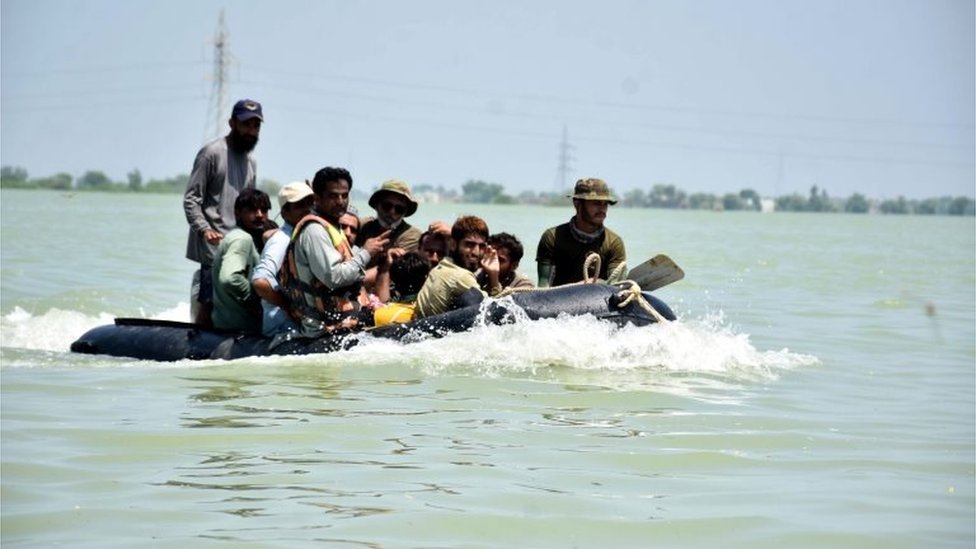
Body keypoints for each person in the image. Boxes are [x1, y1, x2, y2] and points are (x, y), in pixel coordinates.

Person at [183, 98, 263, 327]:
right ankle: (198, 341)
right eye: (246, 124)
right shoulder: (212, 153)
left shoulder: (251, 161)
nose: (251, 131)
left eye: (256, 126)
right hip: (213, 242)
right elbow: (191, 198)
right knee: (208, 302)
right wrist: (203, 229)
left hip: (240, 241)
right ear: (232, 123)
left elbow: (251, 202)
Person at [282, 166, 389, 337]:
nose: (340, 201)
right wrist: (366, 253)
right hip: (324, 328)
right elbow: (334, 277)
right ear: (317, 197)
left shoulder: (332, 226)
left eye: (344, 195)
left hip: (344, 319)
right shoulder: (314, 231)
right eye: (333, 196)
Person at [535, 177, 626, 287]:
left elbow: (615, 287)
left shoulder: (614, 243)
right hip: (558, 301)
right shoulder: (552, 237)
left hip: (598, 301)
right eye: (596, 203)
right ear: (577, 204)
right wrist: (583, 285)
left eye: (605, 204)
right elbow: (543, 286)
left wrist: (595, 283)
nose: (602, 209)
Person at [251, 181, 314, 337]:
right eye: (300, 205)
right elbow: (260, 282)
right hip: (281, 327)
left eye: (310, 204)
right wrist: (289, 306)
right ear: (285, 213)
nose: (308, 210)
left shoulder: (301, 235)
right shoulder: (282, 240)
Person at [211, 188, 274, 334]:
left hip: (227, 327)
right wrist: (260, 297)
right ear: (238, 213)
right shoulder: (242, 239)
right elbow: (230, 279)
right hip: (241, 330)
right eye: (252, 210)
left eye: (264, 210)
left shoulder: (241, 237)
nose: (259, 215)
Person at [415, 215, 502, 318]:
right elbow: (493, 312)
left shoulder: (442, 266)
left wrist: (492, 272)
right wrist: (494, 277)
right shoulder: (460, 276)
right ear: (453, 244)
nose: (476, 252)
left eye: (482, 246)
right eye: (469, 245)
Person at [356, 179, 423, 256]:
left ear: (404, 212)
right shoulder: (363, 226)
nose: (392, 212)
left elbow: (392, 265)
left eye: (399, 209)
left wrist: (365, 253)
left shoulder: (412, 235)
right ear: (377, 205)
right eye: (387, 206)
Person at [371, 251, 431, 326]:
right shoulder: (428, 311)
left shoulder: (379, 313)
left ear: (393, 279)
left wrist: (384, 268)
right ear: (426, 278)